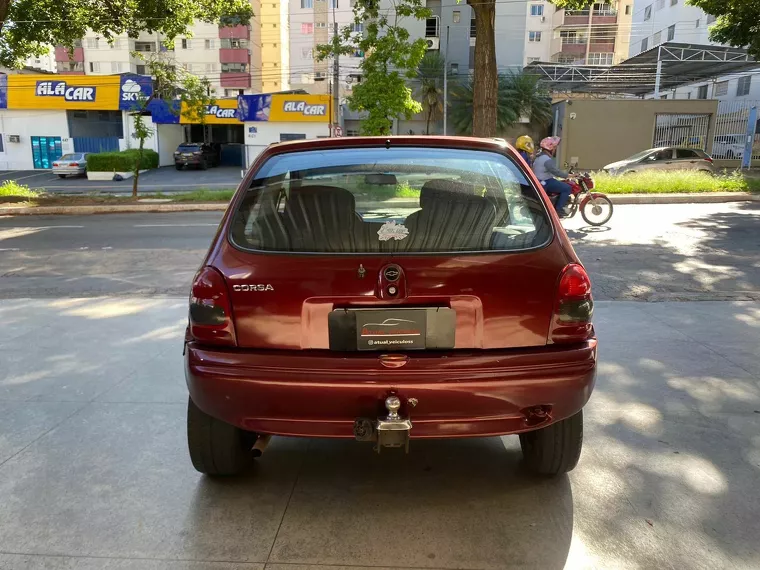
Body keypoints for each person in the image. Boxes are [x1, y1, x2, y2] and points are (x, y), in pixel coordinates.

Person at [532, 136, 572, 217]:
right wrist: (568, 175)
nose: (555, 149)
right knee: (567, 188)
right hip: (546, 182)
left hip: (541, 181)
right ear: (550, 148)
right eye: (554, 147)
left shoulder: (539, 157)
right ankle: (559, 209)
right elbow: (556, 172)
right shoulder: (546, 159)